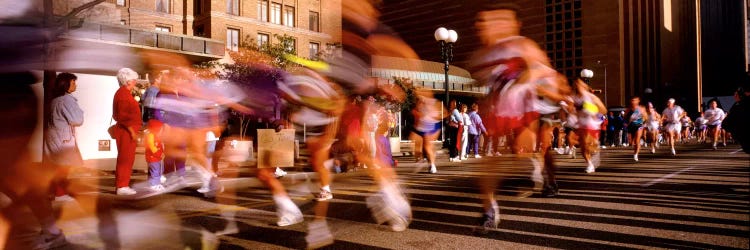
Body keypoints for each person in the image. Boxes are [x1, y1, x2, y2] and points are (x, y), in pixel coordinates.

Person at [467, 2, 562, 233]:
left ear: (515, 24)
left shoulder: (525, 46)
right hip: (498, 109)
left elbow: (548, 75)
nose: (493, 25)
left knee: (524, 151)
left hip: (525, 107)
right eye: (489, 20)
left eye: (502, 20)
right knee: (489, 163)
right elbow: (482, 79)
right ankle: (489, 209)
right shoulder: (480, 55)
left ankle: (537, 169)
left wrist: (529, 78)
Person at [43, 72, 84, 202]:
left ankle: (55, 192)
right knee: (63, 166)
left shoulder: (55, 100)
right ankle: (60, 194)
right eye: (73, 82)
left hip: (53, 135)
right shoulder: (67, 100)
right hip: (63, 137)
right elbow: (77, 120)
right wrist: (80, 111)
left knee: (55, 166)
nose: (75, 85)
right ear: (65, 84)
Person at [112, 68, 142, 195]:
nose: (135, 82)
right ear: (128, 81)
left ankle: (123, 185)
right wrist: (132, 132)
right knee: (126, 158)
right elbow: (123, 116)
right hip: (126, 131)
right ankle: (122, 186)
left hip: (127, 130)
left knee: (127, 157)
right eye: (134, 80)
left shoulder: (123, 93)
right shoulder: (123, 95)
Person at [571, 79, 607, 173]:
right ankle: (590, 164)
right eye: (576, 84)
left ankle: (595, 147)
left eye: (579, 84)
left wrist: (588, 107)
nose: (577, 85)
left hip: (592, 124)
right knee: (583, 146)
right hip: (580, 124)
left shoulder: (591, 97)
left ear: (584, 86)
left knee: (588, 144)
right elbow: (570, 109)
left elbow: (603, 110)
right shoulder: (574, 97)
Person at [410, 90, 441, 174]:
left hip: (429, 127)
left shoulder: (431, 102)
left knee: (427, 147)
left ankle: (432, 165)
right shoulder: (418, 103)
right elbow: (417, 117)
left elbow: (439, 115)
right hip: (421, 127)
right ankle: (421, 159)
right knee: (416, 143)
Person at [144, 119, 166, 192]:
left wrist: (162, 153)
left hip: (156, 158)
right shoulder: (151, 136)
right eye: (160, 129)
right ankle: (154, 185)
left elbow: (160, 146)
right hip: (153, 158)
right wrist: (159, 154)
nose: (161, 130)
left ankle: (156, 183)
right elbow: (151, 146)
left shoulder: (155, 135)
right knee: (155, 171)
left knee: (158, 170)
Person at [626, 97, 646, 161]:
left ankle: (636, 154)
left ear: (638, 101)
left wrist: (643, 119)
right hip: (631, 126)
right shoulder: (628, 109)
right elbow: (625, 118)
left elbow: (646, 117)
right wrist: (626, 122)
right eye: (632, 100)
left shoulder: (641, 108)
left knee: (637, 140)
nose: (633, 102)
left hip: (639, 125)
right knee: (631, 143)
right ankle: (639, 142)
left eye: (635, 100)